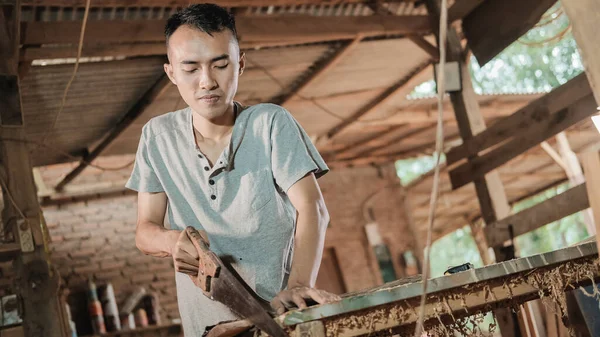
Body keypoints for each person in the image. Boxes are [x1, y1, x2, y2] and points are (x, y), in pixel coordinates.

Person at [125, 3, 340, 336]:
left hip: (278, 319)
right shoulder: (157, 137)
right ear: (171, 73)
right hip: (206, 329)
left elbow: (312, 208)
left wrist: (298, 285)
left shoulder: (270, 124)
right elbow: (144, 229)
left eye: (220, 64)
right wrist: (173, 242)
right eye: (190, 69)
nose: (207, 81)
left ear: (240, 63)